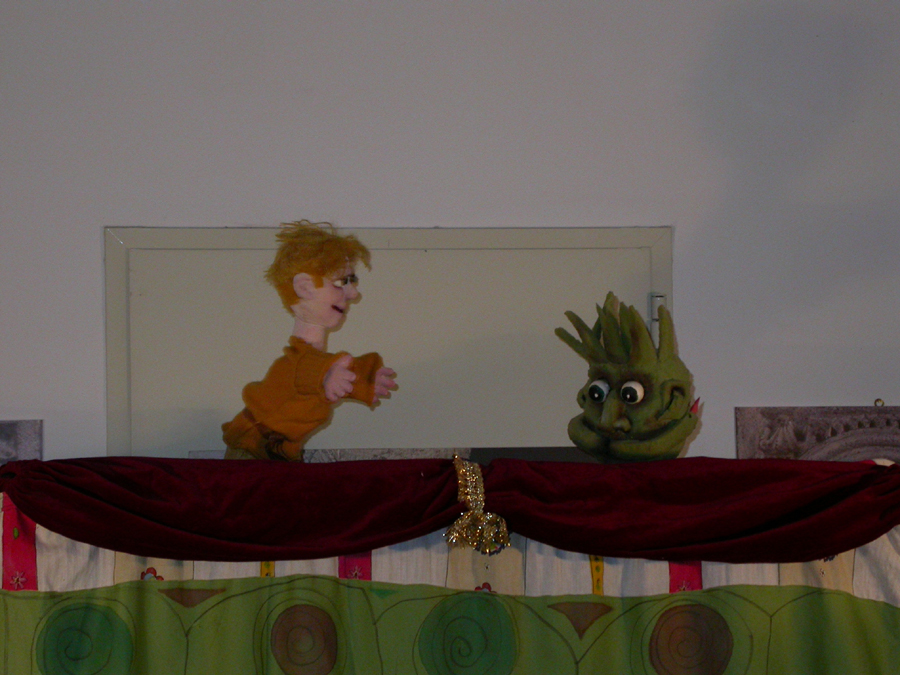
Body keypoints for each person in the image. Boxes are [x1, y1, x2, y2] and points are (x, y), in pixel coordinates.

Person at [222, 220, 396, 460]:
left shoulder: (310, 363)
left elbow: (317, 379)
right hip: (250, 449)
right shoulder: (300, 363)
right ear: (304, 287)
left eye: (352, 281)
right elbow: (309, 371)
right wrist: (332, 376)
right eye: (341, 282)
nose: (353, 293)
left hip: (277, 454)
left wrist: (362, 381)